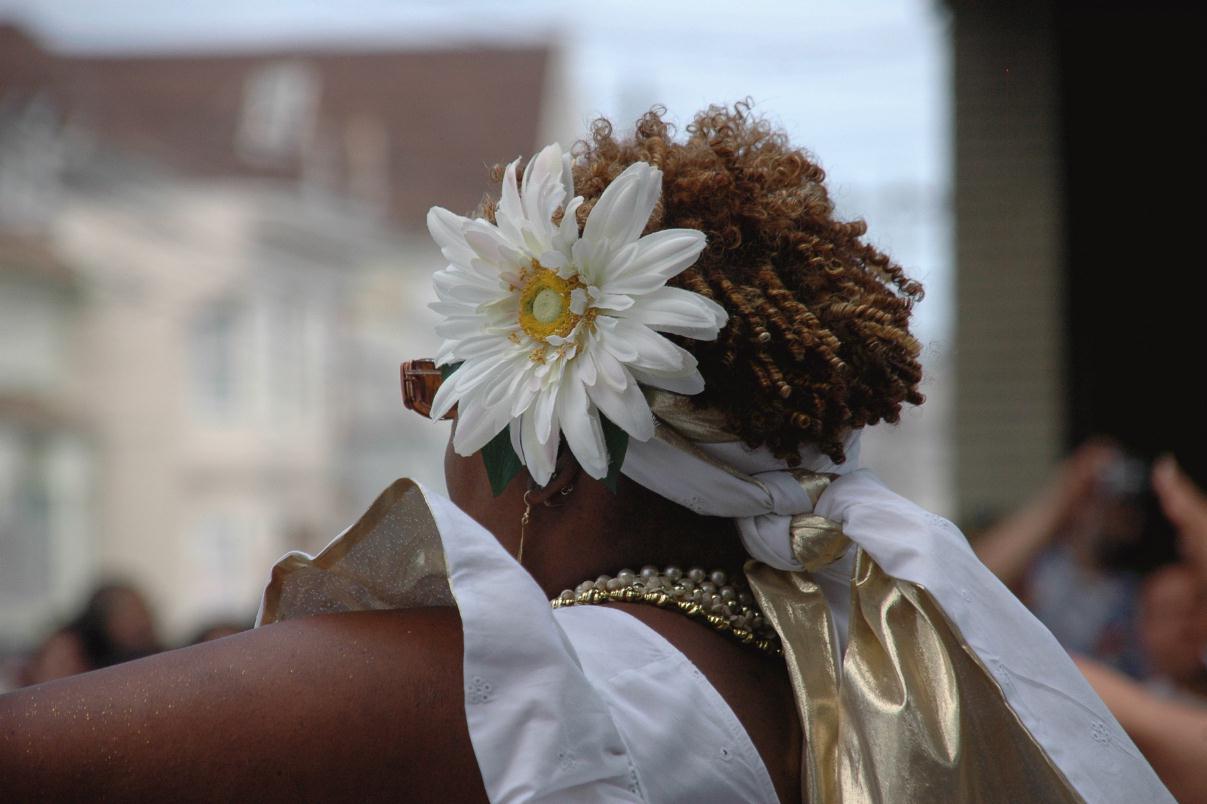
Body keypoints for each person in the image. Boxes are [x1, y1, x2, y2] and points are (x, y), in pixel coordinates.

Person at [0, 105, 1171, 801]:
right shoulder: (827, 686)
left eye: (440, 387)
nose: (440, 430)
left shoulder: (524, 682)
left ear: (550, 453)